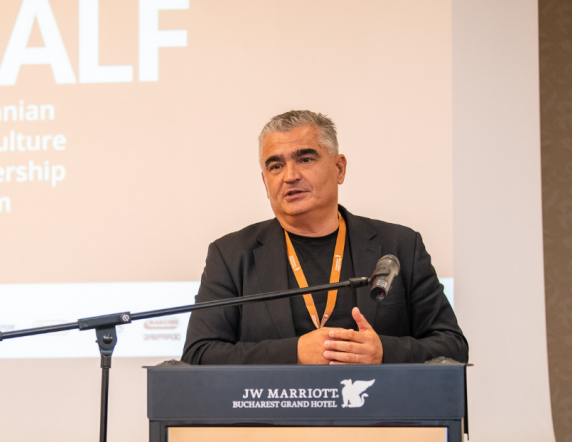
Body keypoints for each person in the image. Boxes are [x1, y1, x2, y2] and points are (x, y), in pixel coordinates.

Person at [181, 110, 468, 365]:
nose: (290, 176)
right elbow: (199, 353)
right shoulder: (231, 255)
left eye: (305, 159)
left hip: (379, 408)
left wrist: (384, 352)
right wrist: (294, 353)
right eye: (276, 166)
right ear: (265, 183)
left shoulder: (399, 245)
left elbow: (452, 346)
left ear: (339, 168)